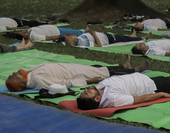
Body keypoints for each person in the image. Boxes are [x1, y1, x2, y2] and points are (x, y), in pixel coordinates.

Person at [75, 62, 170, 110]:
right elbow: (140, 99)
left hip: (143, 79)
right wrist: (161, 95)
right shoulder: (113, 100)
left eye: (85, 90)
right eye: (87, 93)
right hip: (151, 87)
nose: (87, 89)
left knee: (168, 79)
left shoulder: (100, 88)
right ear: (97, 99)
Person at [5, 54, 148, 91]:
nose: (13, 73)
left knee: (97, 66)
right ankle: (134, 70)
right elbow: (64, 83)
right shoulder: (38, 81)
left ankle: (124, 65)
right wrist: (88, 81)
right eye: (14, 77)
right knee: (106, 73)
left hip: (71, 67)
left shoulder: (30, 74)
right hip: (74, 74)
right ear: (22, 83)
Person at [65, 29, 146, 47]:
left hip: (104, 35)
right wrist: (94, 34)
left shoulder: (79, 39)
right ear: (74, 43)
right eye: (71, 38)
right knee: (122, 38)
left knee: (122, 37)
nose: (72, 35)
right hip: (107, 39)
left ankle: (132, 36)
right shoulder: (82, 43)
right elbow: (98, 45)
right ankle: (141, 38)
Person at [20, 25, 84, 42]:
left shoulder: (30, 30)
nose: (24, 32)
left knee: (76, 32)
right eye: (23, 34)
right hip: (58, 32)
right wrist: (62, 37)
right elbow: (49, 38)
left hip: (56, 28)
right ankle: (88, 34)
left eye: (22, 31)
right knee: (78, 33)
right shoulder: (34, 36)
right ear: (25, 37)